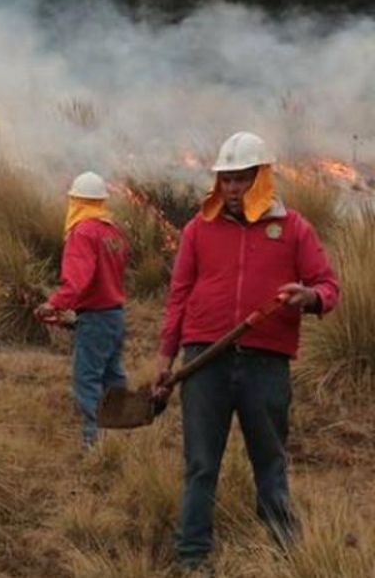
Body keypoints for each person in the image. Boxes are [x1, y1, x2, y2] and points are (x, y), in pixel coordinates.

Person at [152, 131, 339, 572]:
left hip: (265, 362)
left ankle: (285, 552)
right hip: (204, 359)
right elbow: (178, 295)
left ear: (261, 178)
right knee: (201, 463)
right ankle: (193, 556)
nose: (233, 189)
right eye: (227, 180)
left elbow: (328, 287)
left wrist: (309, 297)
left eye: (242, 179)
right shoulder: (199, 228)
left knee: (269, 461)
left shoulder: (294, 228)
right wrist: (165, 356)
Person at [35, 171, 130, 450]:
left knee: (87, 380)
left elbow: (78, 279)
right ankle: (119, 434)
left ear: (76, 201)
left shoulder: (83, 232)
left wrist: (54, 303)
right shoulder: (113, 231)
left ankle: (95, 443)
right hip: (115, 315)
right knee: (113, 376)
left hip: (97, 317)